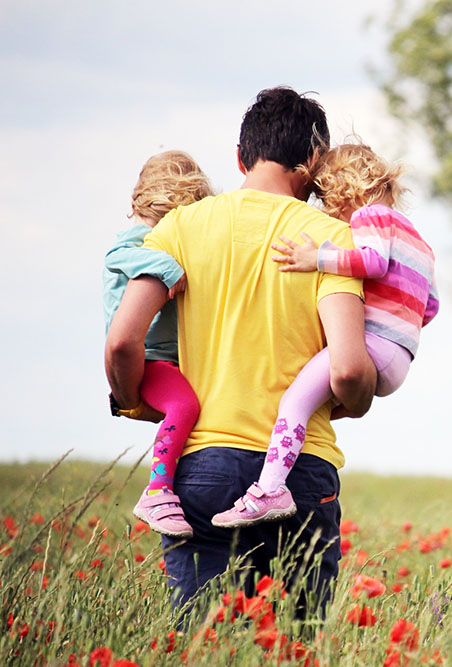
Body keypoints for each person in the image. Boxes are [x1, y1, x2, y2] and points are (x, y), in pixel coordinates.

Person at [105, 87, 376, 612]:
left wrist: (135, 399)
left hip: (202, 466)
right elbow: (347, 369)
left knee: (206, 642)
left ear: (240, 157)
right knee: (295, 645)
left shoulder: (180, 227)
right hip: (300, 472)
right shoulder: (331, 240)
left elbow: (121, 340)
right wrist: (357, 399)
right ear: (314, 162)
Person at [211, 142, 439, 528]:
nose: (330, 213)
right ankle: (282, 471)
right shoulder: (419, 240)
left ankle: (269, 490)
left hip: (373, 345)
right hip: (401, 356)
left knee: (294, 402)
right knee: (316, 401)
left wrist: (315, 258)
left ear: (343, 190)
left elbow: (372, 261)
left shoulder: (370, 217)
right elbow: (430, 306)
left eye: (327, 200)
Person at [103, 151, 213, 538]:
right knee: (184, 405)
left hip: (167, 358)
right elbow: (118, 255)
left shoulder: (158, 235)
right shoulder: (141, 237)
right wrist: (168, 268)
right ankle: (157, 490)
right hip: (149, 358)